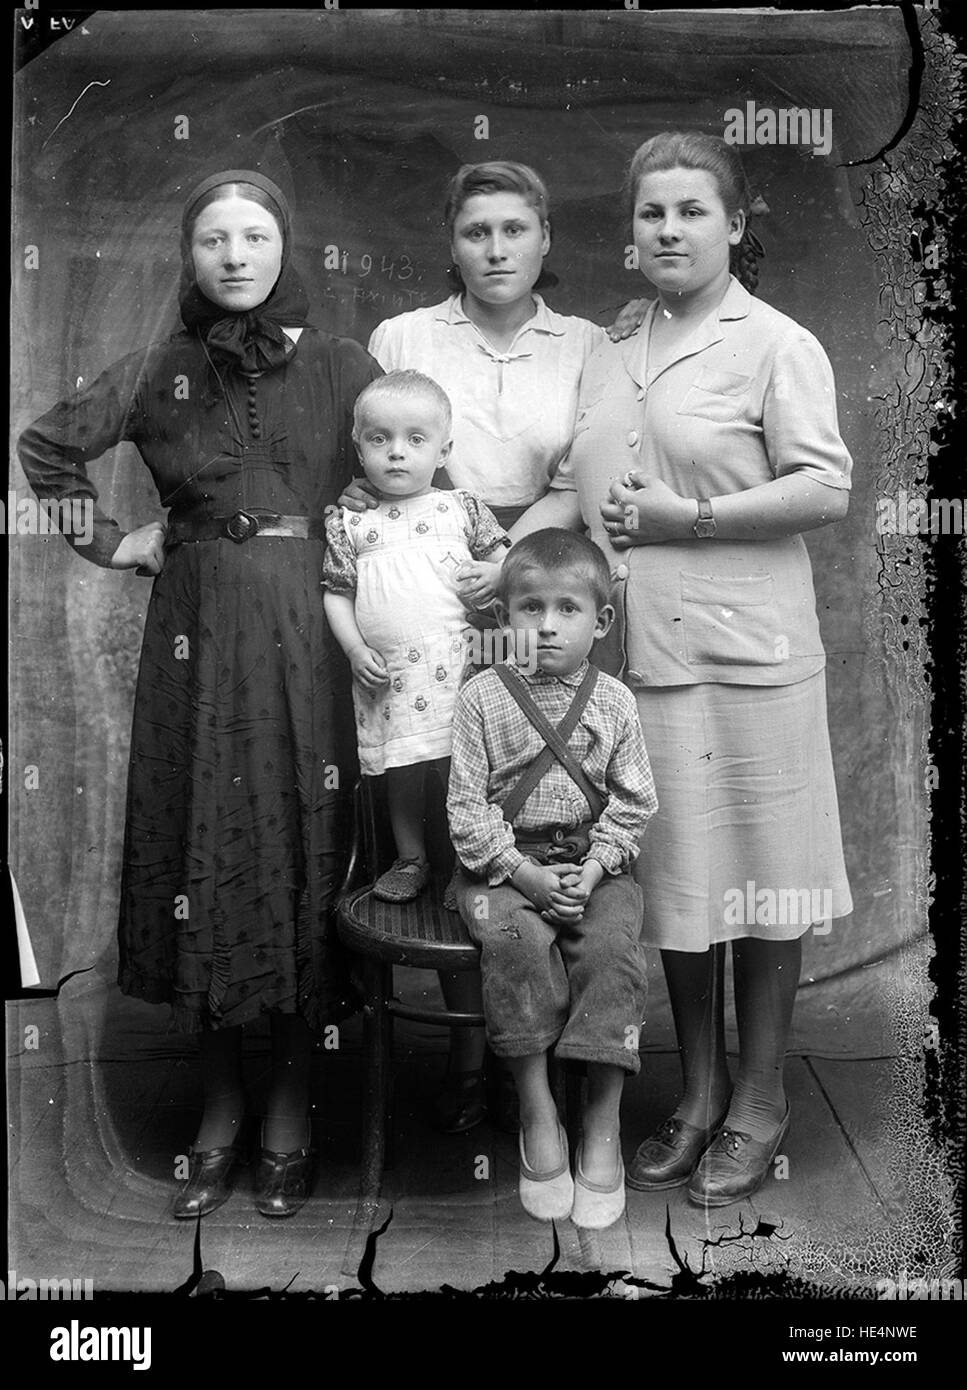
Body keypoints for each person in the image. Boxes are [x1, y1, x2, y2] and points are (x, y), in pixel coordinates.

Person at [17, 169, 382, 1220]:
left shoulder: (345, 366)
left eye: (253, 235)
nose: (233, 255)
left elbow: (415, 471)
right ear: (191, 255)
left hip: (308, 630)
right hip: (194, 629)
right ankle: (218, 1107)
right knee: (202, 845)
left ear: (282, 246)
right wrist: (104, 539)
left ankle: (290, 1107)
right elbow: (46, 445)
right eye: (213, 238)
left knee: (297, 845)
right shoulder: (158, 367)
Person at [553, 131, 853, 1207]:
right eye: (650, 214)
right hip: (644, 661)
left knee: (763, 880)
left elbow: (824, 487)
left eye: (690, 210)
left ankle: (761, 1098)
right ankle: (699, 1089)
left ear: (734, 224)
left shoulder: (776, 343)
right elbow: (575, 484)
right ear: (630, 235)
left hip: (752, 656)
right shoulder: (610, 346)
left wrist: (691, 518)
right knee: (679, 886)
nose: (668, 229)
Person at [341, 161, 641, 1133]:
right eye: (477, 231)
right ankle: (472, 1062)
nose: (497, 248)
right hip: (426, 596)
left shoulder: (584, 344)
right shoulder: (404, 339)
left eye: (516, 229)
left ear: (545, 240)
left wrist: (504, 560)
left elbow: (582, 473)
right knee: (444, 814)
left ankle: (540, 1074)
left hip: (537, 582)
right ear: (452, 241)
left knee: (536, 800)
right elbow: (382, 463)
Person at [447, 529, 657, 1228]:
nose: (545, 626)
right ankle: (539, 1114)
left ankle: (601, 1121)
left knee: (609, 951)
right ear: (503, 619)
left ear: (600, 622)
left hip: (595, 868)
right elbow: (466, 808)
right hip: (501, 868)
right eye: (528, 608)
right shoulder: (481, 697)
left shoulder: (615, 702)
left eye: (566, 609)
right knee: (512, 942)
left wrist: (594, 868)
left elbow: (633, 805)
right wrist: (524, 876)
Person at [322, 370, 509, 902]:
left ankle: (463, 865)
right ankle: (411, 859)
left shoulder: (462, 508)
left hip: (460, 670)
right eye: (380, 439)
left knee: (462, 771)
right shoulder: (350, 523)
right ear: (359, 450)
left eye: (416, 440)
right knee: (403, 770)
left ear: (444, 450)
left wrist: (498, 573)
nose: (397, 453)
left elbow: (514, 565)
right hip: (390, 675)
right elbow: (337, 593)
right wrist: (356, 649)